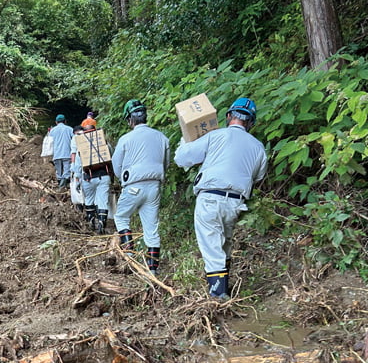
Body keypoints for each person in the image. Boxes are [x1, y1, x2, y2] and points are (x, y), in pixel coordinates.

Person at [174, 97, 267, 299]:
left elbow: (182, 159)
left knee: (212, 248)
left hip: (209, 198)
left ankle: (218, 296)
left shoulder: (216, 135)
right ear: (251, 122)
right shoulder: (258, 147)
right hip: (235, 202)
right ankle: (225, 291)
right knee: (224, 245)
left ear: (228, 116)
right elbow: (259, 177)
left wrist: (185, 139)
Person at [112, 99, 170, 274]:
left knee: (121, 216)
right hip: (154, 187)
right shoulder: (161, 137)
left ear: (130, 119)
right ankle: (153, 268)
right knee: (151, 227)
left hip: (133, 185)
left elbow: (116, 165)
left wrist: (123, 177)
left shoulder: (126, 139)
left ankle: (130, 254)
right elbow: (166, 163)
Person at [74, 127, 113, 234]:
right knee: (102, 200)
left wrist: (77, 181)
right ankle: (101, 223)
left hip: (88, 178)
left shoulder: (81, 147)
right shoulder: (103, 144)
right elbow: (110, 158)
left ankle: (91, 221)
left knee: (89, 199)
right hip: (104, 176)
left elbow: (77, 166)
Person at [49, 114, 74, 189]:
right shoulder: (69, 129)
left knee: (58, 171)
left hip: (56, 154)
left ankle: (60, 184)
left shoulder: (52, 131)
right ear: (65, 121)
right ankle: (63, 186)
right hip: (67, 153)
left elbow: (50, 143)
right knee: (67, 170)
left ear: (56, 122)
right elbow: (74, 139)